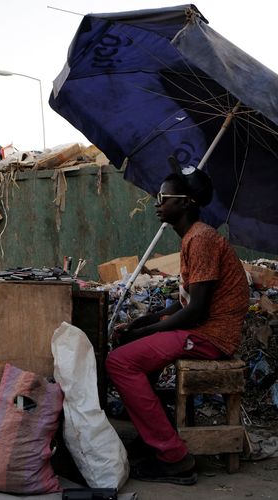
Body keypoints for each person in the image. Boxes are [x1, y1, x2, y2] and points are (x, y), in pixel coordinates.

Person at [106, 166, 249, 485]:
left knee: (119, 363)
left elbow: (196, 312)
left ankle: (174, 457)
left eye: (163, 197)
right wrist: (142, 322)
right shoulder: (192, 239)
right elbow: (186, 302)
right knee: (130, 348)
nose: (157, 203)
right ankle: (153, 434)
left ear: (184, 203)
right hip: (200, 328)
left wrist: (144, 332)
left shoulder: (201, 239)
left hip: (211, 337)